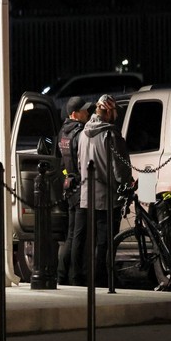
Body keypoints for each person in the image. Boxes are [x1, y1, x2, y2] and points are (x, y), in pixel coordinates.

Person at [78, 94, 132, 287]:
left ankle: (89, 277)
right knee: (106, 242)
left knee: (89, 243)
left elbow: (79, 164)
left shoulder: (83, 134)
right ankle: (103, 279)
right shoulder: (111, 134)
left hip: (87, 197)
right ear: (108, 111)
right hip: (108, 198)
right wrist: (128, 184)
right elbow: (120, 168)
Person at [57, 96, 93, 285]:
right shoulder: (80, 134)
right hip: (81, 187)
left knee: (71, 235)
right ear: (74, 113)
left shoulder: (63, 132)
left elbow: (61, 163)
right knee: (78, 236)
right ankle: (74, 277)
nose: (87, 113)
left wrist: (67, 176)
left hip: (69, 187)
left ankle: (62, 275)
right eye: (84, 110)